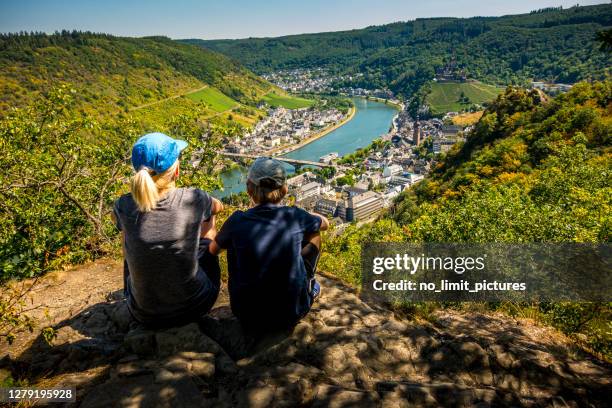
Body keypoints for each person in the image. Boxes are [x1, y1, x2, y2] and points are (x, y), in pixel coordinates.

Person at [112, 132, 223, 328]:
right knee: (208, 219)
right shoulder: (193, 198)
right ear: (176, 170)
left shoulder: (123, 205)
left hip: (142, 313)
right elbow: (217, 206)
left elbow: (115, 220)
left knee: (128, 234)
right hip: (194, 307)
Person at [209, 157, 329, 333]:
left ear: (249, 189)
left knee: (233, 242)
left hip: (246, 313)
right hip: (292, 311)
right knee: (314, 233)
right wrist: (307, 216)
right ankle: (309, 282)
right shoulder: (294, 216)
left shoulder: (237, 220)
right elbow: (324, 223)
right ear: (285, 189)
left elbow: (213, 250)